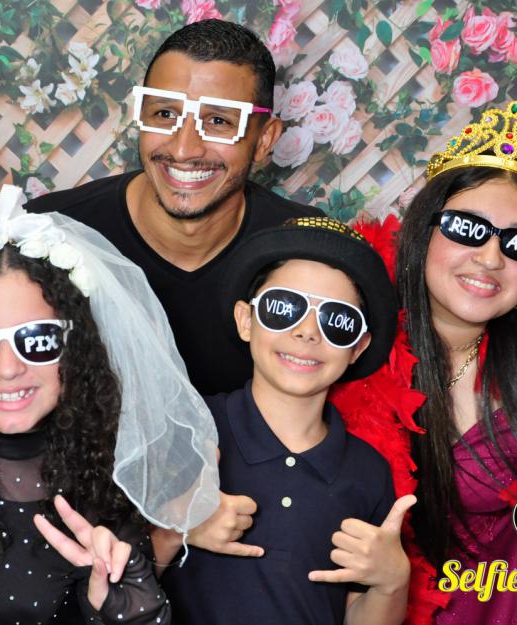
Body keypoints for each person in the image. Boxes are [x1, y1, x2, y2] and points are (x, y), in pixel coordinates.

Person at [0, 186, 219, 624]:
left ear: (76, 347)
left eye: (38, 340)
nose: (8, 369)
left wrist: (135, 617)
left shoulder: (109, 478)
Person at [26, 18, 322, 396]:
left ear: (264, 140)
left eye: (218, 121)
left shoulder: (311, 250)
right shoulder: (46, 233)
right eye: (165, 114)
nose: (184, 149)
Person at [161, 216, 414, 625]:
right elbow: (106, 582)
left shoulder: (369, 472)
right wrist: (177, 530)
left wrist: (392, 582)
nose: (307, 332)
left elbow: (358, 614)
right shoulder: (185, 428)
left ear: (358, 347)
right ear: (246, 320)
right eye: (284, 308)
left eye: (337, 321)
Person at [396, 101, 517, 624]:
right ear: (423, 231)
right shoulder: (343, 346)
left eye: (516, 243)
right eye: (468, 228)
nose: (491, 258)